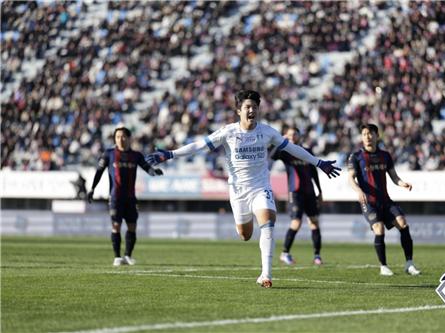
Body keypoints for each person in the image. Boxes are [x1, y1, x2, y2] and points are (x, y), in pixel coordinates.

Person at [147, 90, 341, 288]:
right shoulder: (228, 132)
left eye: (255, 107)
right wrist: (171, 154)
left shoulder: (267, 132)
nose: (251, 110)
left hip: (261, 187)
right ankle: (248, 233)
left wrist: (319, 162)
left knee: (268, 222)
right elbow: (199, 146)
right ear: (238, 110)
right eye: (247, 107)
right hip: (238, 191)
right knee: (245, 235)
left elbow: (293, 148)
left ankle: (266, 275)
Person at [347, 123, 420, 276]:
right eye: (365, 134)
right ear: (362, 137)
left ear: (377, 136)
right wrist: (358, 190)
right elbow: (350, 178)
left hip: (386, 201)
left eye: (371, 133)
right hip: (369, 203)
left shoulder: (385, 155)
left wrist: (402, 183)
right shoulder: (356, 157)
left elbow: (394, 176)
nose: (368, 137)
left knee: (403, 223)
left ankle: (409, 264)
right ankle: (383, 266)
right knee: (379, 229)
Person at [87, 127, 163, 266]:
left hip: (131, 198)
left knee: (132, 226)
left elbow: (147, 168)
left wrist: (154, 172)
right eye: (117, 137)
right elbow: (99, 172)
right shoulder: (109, 154)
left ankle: (127, 256)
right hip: (115, 197)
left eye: (122, 136)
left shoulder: (136, 155)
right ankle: (117, 257)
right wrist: (92, 188)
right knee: (116, 225)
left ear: (129, 138)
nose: (120, 139)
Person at [270, 127, 324, 265]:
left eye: (294, 134)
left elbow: (314, 172)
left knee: (314, 222)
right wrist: (281, 141)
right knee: (296, 222)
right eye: (289, 135)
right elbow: (272, 156)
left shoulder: (307, 151)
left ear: (300, 136)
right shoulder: (286, 152)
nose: (292, 136)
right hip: (295, 192)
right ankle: (285, 253)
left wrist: (319, 191)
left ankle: (317, 256)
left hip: (310, 192)